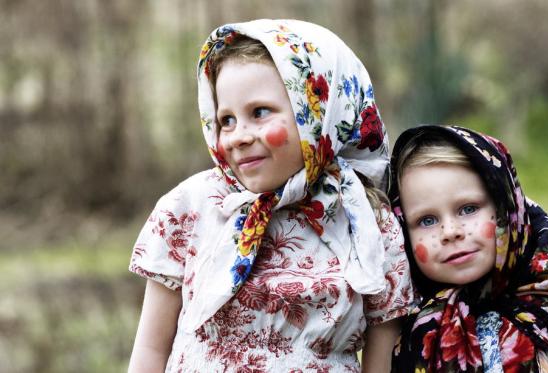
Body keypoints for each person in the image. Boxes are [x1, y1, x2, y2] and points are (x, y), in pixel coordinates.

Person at [127, 19, 413, 372]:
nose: (238, 136)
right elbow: (151, 350)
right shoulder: (192, 206)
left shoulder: (368, 221)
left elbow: (382, 354)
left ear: (322, 113)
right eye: (226, 120)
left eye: (259, 113)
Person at [389, 125, 548, 372]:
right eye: (427, 220)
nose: (450, 232)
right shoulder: (410, 333)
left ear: (507, 210)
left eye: (468, 208)